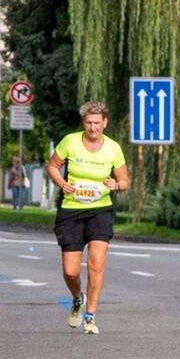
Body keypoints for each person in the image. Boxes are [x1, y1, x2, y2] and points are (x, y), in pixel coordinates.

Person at [45, 101, 129, 335]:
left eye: (97, 123)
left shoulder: (113, 148)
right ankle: (76, 298)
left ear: (105, 123)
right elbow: (52, 166)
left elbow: (123, 180)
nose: (93, 128)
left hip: (100, 210)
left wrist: (116, 185)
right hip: (71, 210)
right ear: (84, 123)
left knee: (96, 264)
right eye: (89, 123)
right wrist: (62, 183)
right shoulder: (71, 142)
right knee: (70, 271)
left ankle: (90, 316)